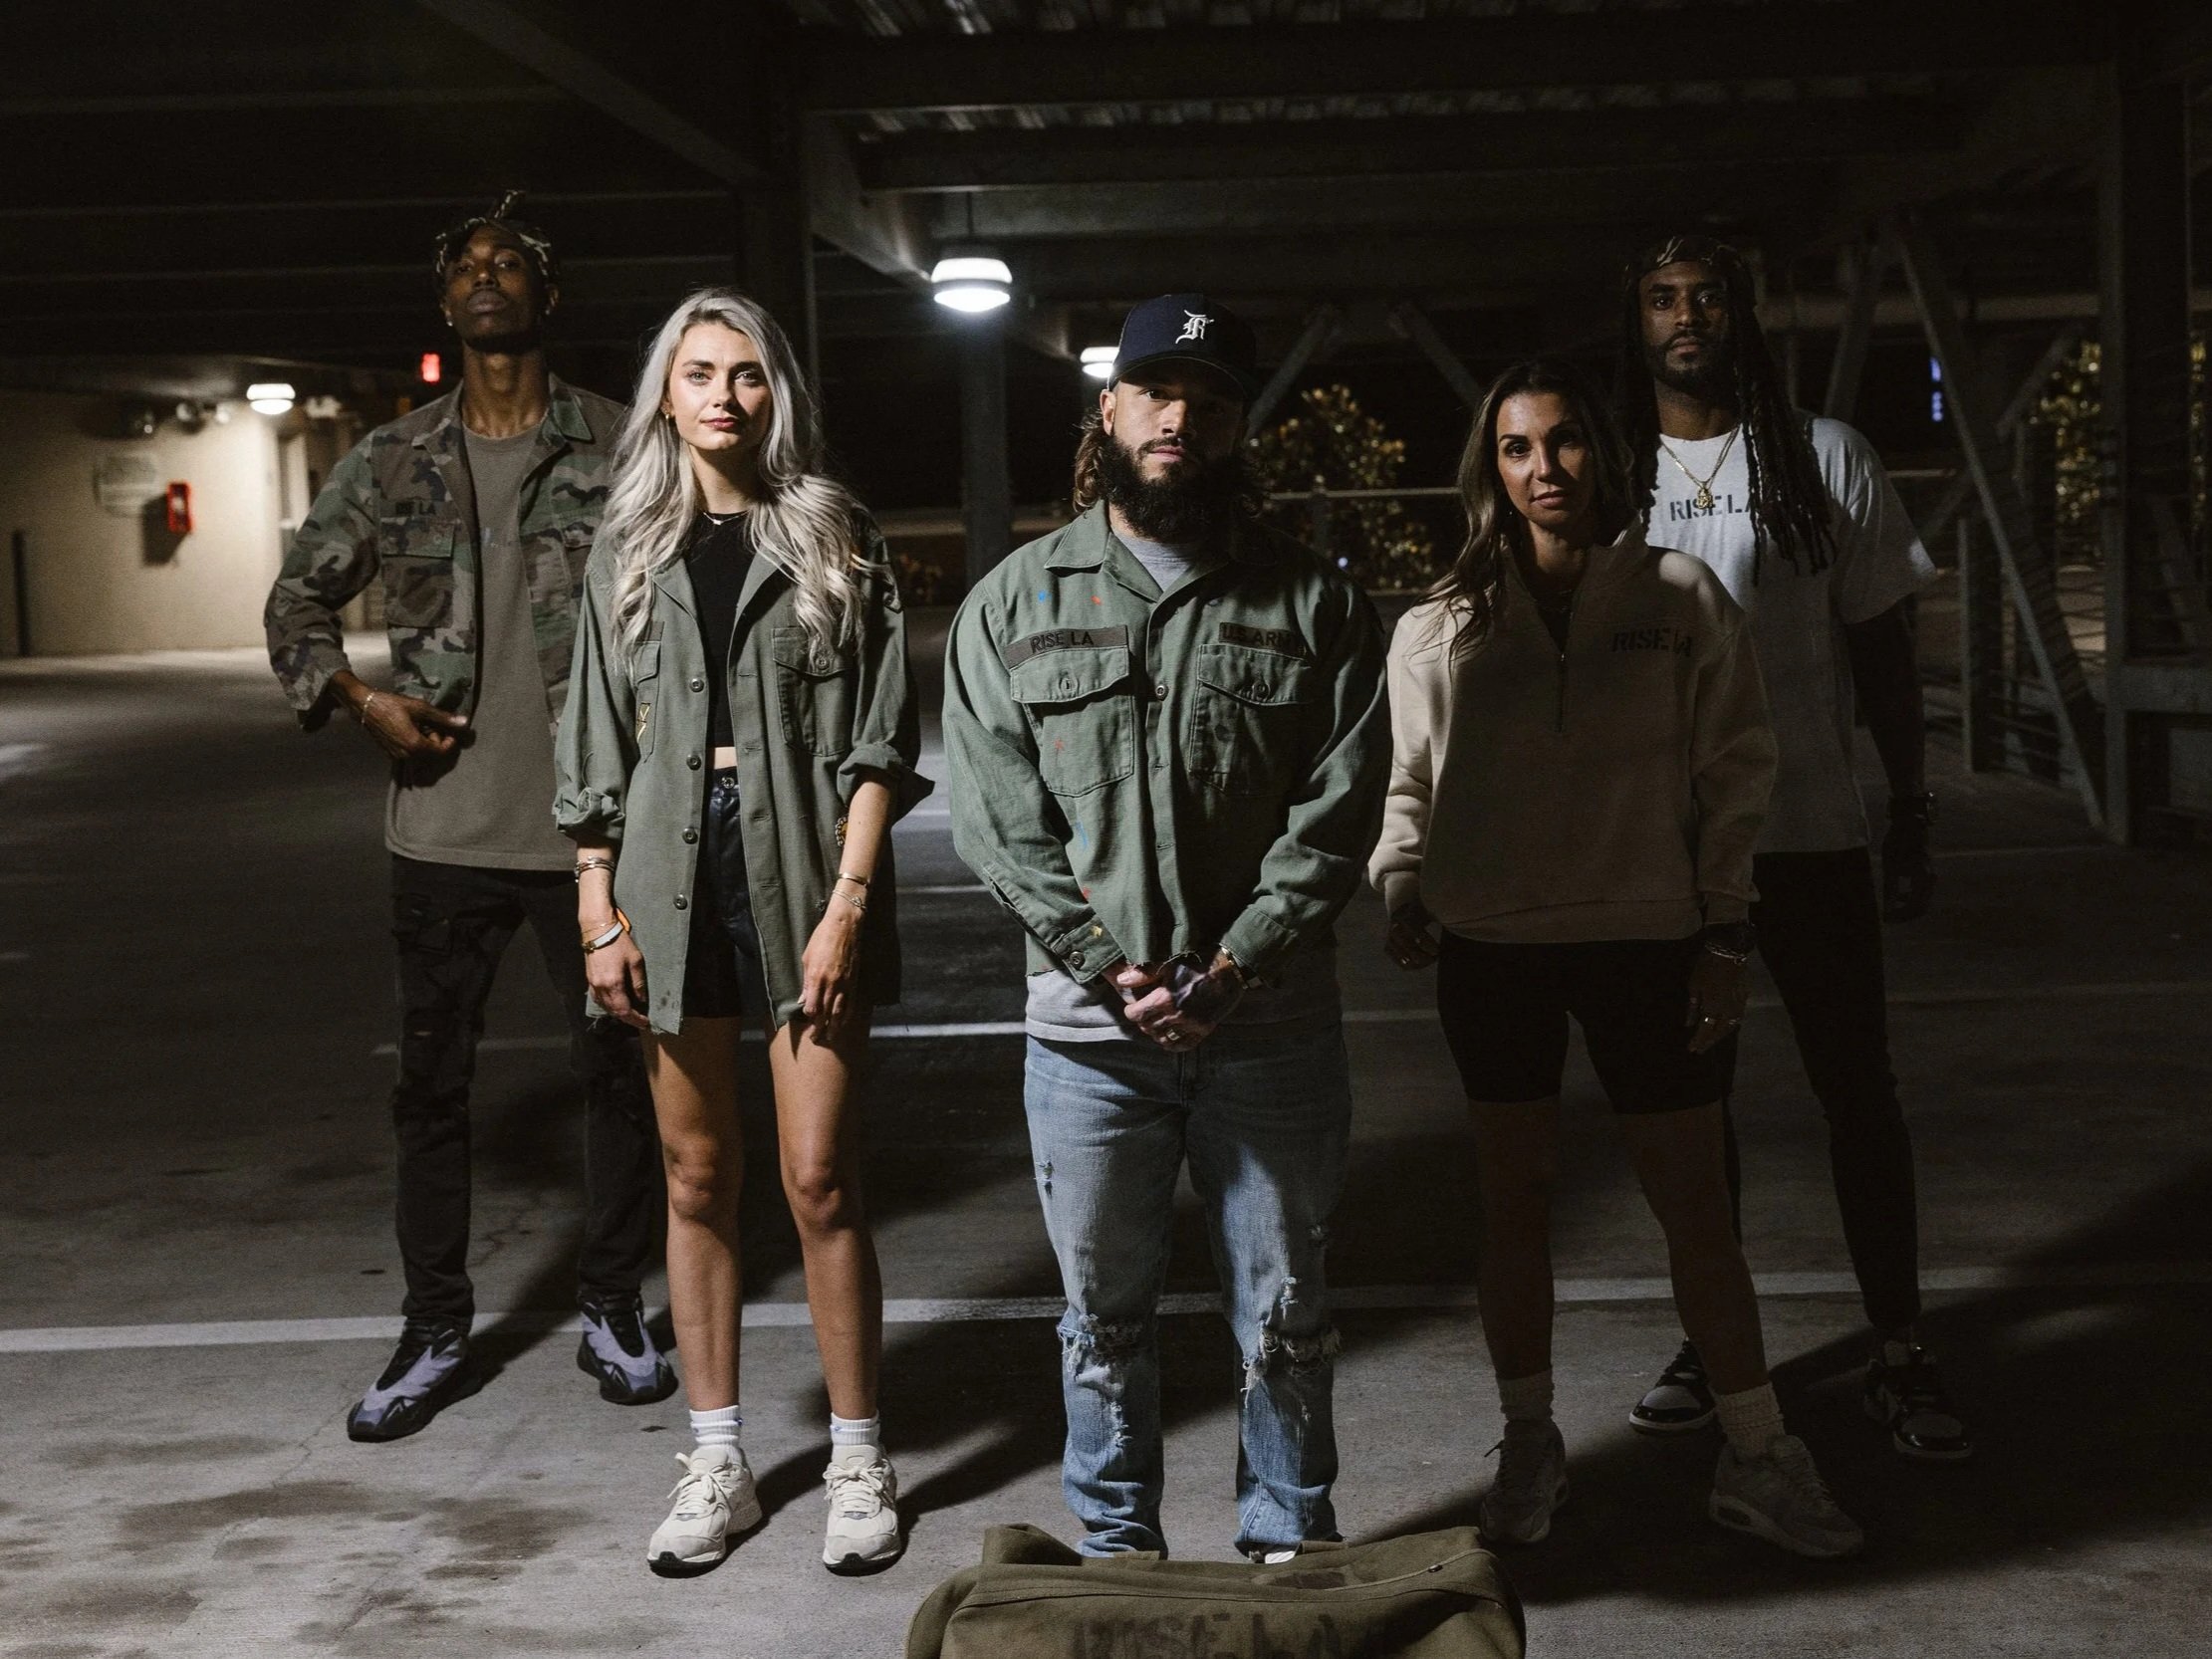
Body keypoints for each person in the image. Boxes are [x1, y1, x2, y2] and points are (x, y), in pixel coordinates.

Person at [1373, 358, 1864, 1559]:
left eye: (1566, 443)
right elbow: (1408, 785)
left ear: (1603, 453)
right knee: (1515, 1205)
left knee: (1695, 1207)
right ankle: (1531, 1439)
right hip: (1494, 951)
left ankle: (1755, 1452)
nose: (1545, 469)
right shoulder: (1439, 620)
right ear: (1489, 469)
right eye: (1517, 449)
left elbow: (1736, 770)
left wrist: (1723, 927)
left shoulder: (1680, 594)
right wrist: (1399, 880)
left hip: (1648, 942)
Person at [942, 294, 1390, 1561]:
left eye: (1208, 399)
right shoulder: (1012, 604)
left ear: (1240, 423)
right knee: (1103, 1316)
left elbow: (1339, 805)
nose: (1177, 417)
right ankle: (1115, 1551)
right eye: (1153, 391)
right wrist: (1110, 965)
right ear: (1110, 407)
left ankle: (1289, 1540)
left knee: (1287, 1311)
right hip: (1089, 1038)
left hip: (1274, 1026)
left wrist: (1238, 963)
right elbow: (997, 818)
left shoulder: (1313, 603)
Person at [264, 194, 671, 1443]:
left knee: (621, 1078)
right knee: (430, 1092)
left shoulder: (621, 443)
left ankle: (613, 1304)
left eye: (512, 265)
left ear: (547, 296)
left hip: (592, 839)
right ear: (445, 302)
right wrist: (357, 699)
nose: (489, 279)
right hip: (440, 839)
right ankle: (435, 1329)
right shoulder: (391, 461)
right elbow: (297, 602)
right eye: (468, 267)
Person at [555, 287, 927, 1577]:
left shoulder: (833, 533)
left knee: (818, 1175)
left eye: (749, 375)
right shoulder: (626, 553)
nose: (725, 393)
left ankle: (858, 1454)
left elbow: (879, 744)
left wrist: (847, 906)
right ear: (667, 392)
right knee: (696, 1178)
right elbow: (593, 747)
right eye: (701, 372)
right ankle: (717, 1459)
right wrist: (596, 908)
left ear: (778, 396)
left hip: (803, 877)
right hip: (666, 879)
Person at [1617, 234, 1969, 1463]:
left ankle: (1899, 1341)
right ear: (1638, 319)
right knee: (1688, 1113)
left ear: (1743, 310)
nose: (1685, 318)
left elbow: (1880, 648)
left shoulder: (1824, 457)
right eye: (1662, 299)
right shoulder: (1610, 469)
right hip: (1663, 857)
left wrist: (1910, 810)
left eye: (1706, 295)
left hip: (1811, 835)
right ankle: (1714, 1345)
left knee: (1855, 1092)